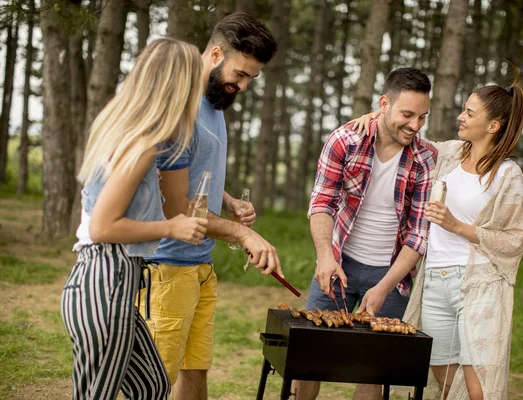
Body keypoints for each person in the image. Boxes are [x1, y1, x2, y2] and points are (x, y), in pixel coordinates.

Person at [355, 67, 523, 400]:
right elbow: (403, 134)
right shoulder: (447, 155)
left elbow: (514, 240)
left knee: (478, 382)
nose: (461, 117)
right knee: (446, 382)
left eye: (470, 113)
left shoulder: (507, 175)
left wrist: (456, 225)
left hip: (478, 286)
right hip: (433, 283)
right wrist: (377, 115)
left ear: (493, 126)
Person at [138, 11, 281, 400]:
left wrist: (229, 201)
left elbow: (196, 178)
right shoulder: (180, 109)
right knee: (153, 383)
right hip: (165, 267)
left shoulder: (215, 106)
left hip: (200, 264)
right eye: (241, 74)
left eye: (252, 77)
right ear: (215, 54)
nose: (245, 86)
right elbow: (177, 207)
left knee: (196, 371)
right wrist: (243, 233)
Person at [61, 38, 208, 400]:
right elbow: (103, 227)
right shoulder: (142, 142)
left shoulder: (127, 128)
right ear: (181, 86)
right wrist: (171, 227)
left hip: (117, 281)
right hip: (105, 279)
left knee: (152, 385)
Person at [293, 67, 438, 400]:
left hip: (391, 275)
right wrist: (325, 259)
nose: (414, 125)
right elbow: (322, 203)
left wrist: (384, 287)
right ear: (384, 103)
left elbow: (418, 235)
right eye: (407, 114)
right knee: (310, 357)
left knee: (375, 368)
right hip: (337, 263)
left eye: (422, 117)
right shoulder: (346, 140)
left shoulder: (426, 158)